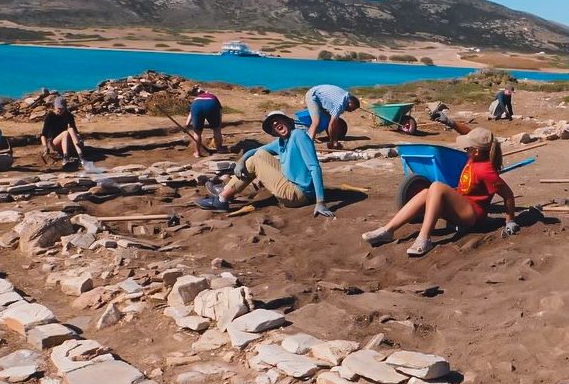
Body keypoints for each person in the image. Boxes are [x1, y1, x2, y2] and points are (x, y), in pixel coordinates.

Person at [362, 117, 519, 256]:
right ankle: (388, 230)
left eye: (468, 147)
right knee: (425, 192)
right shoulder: (475, 156)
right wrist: (450, 122)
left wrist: (510, 220)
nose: (465, 149)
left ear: (477, 151)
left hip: (472, 216)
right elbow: (467, 132)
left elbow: (508, 194)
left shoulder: (486, 169)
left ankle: (424, 238)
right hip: (462, 207)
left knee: (436, 186)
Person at [196, 111, 334, 218]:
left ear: (287, 121)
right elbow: (255, 150)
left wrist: (320, 202)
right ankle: (226, 192)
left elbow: (314, 167)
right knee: (259, 155)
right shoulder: (281, 142)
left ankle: (222, 198)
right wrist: (241, 161)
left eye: (277, 120)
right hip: (292, 186)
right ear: (273, 132)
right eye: (272, 125)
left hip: (298, 194)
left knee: (255, 160)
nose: (275, 124)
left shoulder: (298, 135)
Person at [304, 84, 360, 149]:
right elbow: (332, 124)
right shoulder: (340, 104)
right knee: (316, 122)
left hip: (320, 96)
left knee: (331, 119)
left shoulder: (346, 97)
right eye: (351, 108)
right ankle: (307, 145)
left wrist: (334, 142)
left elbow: (334, 123)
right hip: (313, 96)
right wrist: (332, 143)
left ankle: (333, 141)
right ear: (349, 103)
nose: (351, 111)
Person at [41, 96, 84, 168]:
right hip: (55, 143)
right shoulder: (50, 116)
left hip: (67, 142)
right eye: (58, 108)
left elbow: (75, 130)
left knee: (70, 129)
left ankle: (81, 156)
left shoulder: (69, 115)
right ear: (54, 107)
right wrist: (45, 146)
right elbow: (43, 134)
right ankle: (65, 157)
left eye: (62, 109)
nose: (59, 110)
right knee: (65, 133)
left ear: (65, 108)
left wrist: (78, 136)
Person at [185, 87, 224, 157]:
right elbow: (219, 112)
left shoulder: (196, 99)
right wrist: (219, 125)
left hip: (196, 106)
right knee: (216, 130)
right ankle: (220, 149)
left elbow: (191, 113)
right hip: (211, 104)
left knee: (197, 132)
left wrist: (187, 124)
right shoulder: (213, 96)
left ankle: (197, 153)